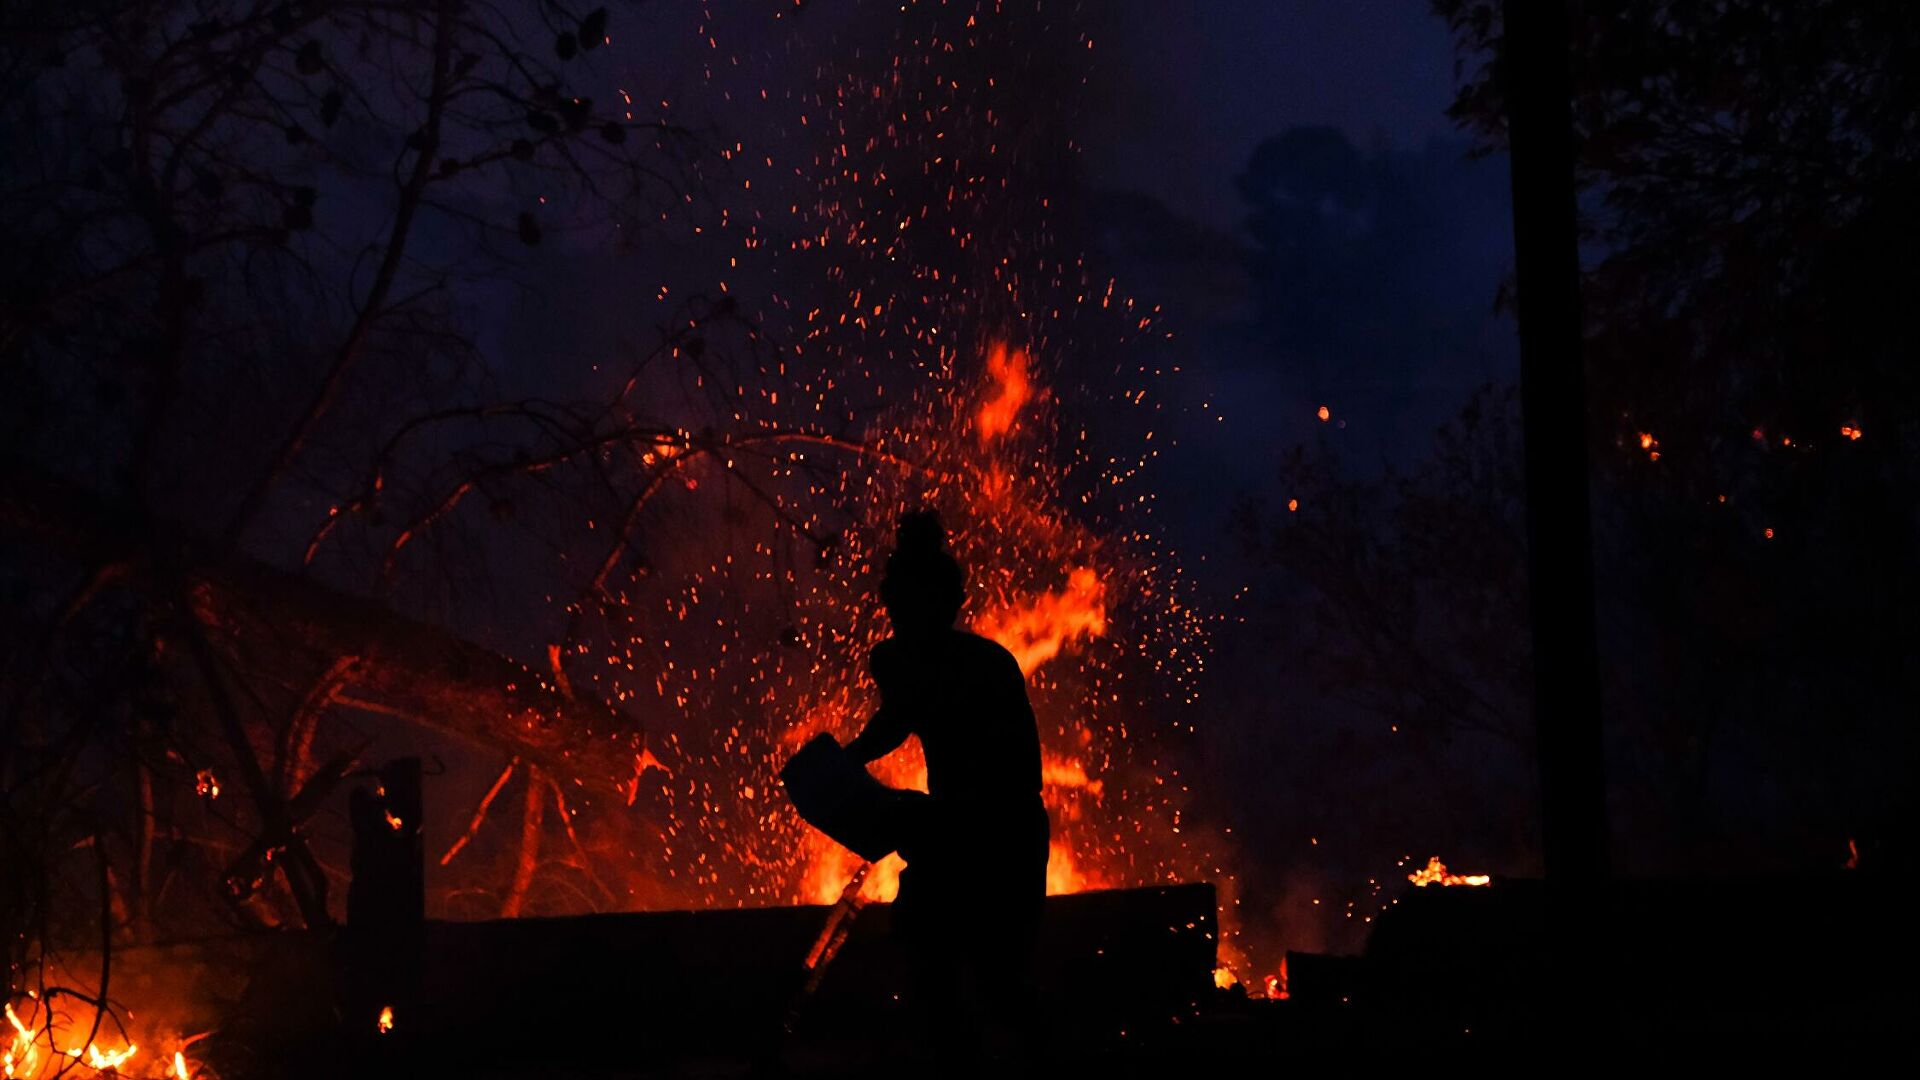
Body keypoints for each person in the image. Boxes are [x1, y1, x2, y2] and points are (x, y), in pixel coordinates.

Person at [844, 510, 1050, 1069]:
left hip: (995, 835)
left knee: (983, 975)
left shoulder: (947, 665)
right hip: (1002, 832)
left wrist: (846, 766)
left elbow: (901, 716)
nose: (895, 618)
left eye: (902, 606)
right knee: (971, 974)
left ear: (935, 601)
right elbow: (902, 715)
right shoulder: (976, 661)